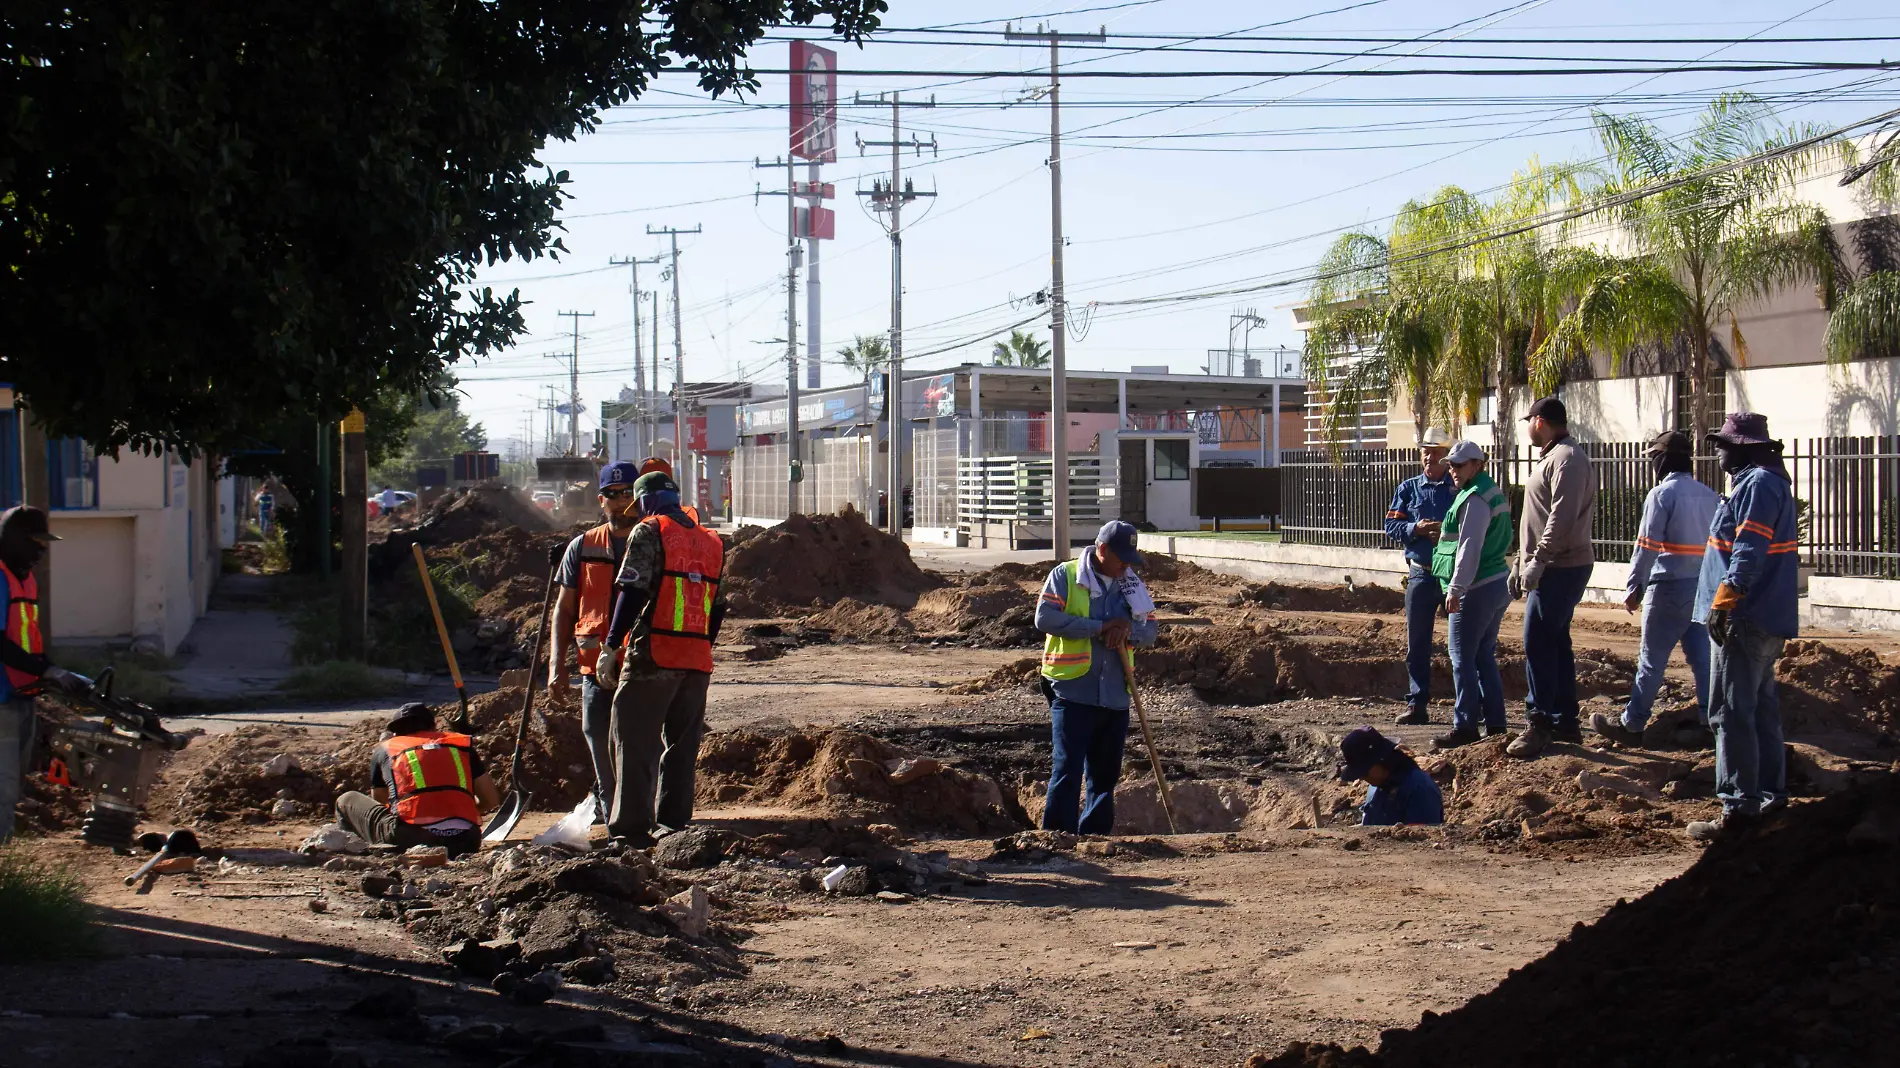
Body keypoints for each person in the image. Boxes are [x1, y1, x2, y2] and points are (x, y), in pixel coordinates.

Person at [598, 470, 728, 846]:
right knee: (681, 747)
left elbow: (633, 590)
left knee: (632, 739)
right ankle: (674, 826)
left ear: (643, 502)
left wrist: (611, 644)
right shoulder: (711, 540)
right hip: (696, 659)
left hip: (654, 655)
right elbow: (717, 607)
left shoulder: (650, 530)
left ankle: (631, 831)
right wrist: (700, 644)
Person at [1687, 413, 1800, 842]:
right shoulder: (1769, 483)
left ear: (1745, 448)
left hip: (1745, 619)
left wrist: (1725, 601)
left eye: (1724, 445)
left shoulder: (1756, 485)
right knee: (1761, 709)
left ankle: (1738, 807)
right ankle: (1771, 797)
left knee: (1730, 712)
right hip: (1765, 617)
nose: (1718, 453)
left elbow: (1748, 548)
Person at [1592, 431, 1720, 747]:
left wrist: (1635, 585)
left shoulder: (1661, 495)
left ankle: (1632, 725)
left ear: (1661, 459)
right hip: (1702, 590)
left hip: (1666, 590)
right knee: (1703, 660)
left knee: (1652, 661)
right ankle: (1710, 724)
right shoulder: (1711, 496)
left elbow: (1647, 545)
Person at [1033, 520, 1161, 835]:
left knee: (1104, 774)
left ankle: (1095, 837)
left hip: (1116, 693)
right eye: (1121, 559)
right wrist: (1100, 627)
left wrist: (1127, 629)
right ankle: (1057, 839)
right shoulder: (1066, 576)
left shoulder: (1132, 585)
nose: (1126, 566)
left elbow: (1150, 631)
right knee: (1068, 768)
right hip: (1073, 689)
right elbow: (1045, 618)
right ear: (1102, 550)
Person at [549, 461, 643, 821]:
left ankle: (637, 805)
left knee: (638, 738)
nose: (621, 503)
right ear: (600, 500)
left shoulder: (655, 541)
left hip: (644, 659)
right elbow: (564, 610)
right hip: (596, 664)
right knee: (596, 731)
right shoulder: (583, 547)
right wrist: (557, 665)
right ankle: (610, 800)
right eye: (612, 496)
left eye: (627, 495)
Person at [1508, 396, 1599, 759]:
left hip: (1561, 567)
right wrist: (1521, 561)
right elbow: (1538, 516)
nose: (1527, 426)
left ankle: (1540, 721)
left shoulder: (1568, 459)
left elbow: (1561, 518)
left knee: (1539, 642)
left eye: (1529, 420)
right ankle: (1565, 722)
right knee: (1556, 642)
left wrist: (1539, 561)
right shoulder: (1553, 457)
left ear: (1541, 421)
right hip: (1550, 565)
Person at [0, 507, 89, 843]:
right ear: (12, 541)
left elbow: (26, 638)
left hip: (21, 694)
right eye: (35, 543)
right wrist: (46, 670)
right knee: (3, 786)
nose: (42, 550)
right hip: (2, 698)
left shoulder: (24, 578)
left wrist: (51, 670)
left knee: (13, 783)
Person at [1429, 442, 1514, 750]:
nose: (1453, 470)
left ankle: (1465, 726)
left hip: (1477, 586)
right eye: (1451, 465)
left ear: (1477, 464)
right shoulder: (1488, 491)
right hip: (1494, 582)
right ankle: (1495, 723)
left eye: (1459, 465)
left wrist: (1455, 589)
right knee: (1482, 655)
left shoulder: (1475, 498)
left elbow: (1469, 547)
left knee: (1461, 656)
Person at [334, 702, 500, 857]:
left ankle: (354, 852)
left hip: (412, 839)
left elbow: (381, 802)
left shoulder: (387, 749)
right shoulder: (461, 746)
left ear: (395, 733)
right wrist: (455, 812)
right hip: (466, 840)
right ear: (433, 726)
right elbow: (491, 799)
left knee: (345, 800)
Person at [1386, 428, 1456, 726]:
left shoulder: (1457, 489)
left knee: (1463, 644)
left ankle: (1470, 705)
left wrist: (1446, 532)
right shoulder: (1408, 488)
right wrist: (1415, 529)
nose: (1430, 457)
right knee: (1418, 643)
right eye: (1426, 452)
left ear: (1447, 457)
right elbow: (1391, 527)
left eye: (1437, 452)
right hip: (1421, 575)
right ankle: (1417, 703)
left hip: (1454, 577)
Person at [1336, 726, 1443, 827]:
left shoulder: (1419, 789)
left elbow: (1422, 839)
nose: (1362, 778)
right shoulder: (1376, 785)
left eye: (1364, 772)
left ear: (1381, 760)